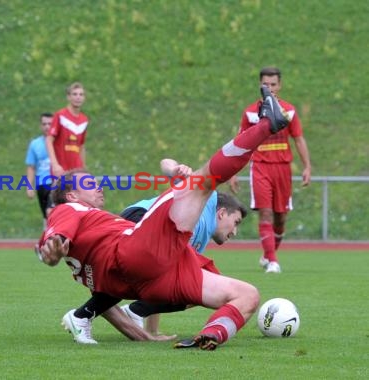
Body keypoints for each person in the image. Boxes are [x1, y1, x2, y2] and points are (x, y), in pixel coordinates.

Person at [37, 85, 290, 350]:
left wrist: (52, 254)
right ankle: (265, 126)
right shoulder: (68, 209)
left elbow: (66, 257)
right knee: (204, 180)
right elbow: (57, 237)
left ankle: (212, 333)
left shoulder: (88, 223)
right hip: (134, 254)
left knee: (248, 295)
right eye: (88, 184)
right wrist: (52, 250)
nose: (98, 186)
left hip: (146, 279)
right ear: (72, 196)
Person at [62, 187, 247, 344]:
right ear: (221, 213)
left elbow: (164, 276)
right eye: (236, 222)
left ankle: (134, 312)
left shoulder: (203, 233)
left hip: (143, 227)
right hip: (141, 218)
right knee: (152, 272)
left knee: (193, 285)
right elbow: (200, 180)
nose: (236, 231)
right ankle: (82, 316)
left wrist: (153, 331)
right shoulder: (206, 205)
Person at [229, 67, 311, 274]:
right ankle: (273, 262)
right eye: (266, 84)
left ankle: (268, 254)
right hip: (260, 167)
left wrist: (307, 166)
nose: (270, 88)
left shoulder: (288, 111)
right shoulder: (250, 112)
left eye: (273, 84)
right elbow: (240, 143)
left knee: (280, 218)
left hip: (283, 169)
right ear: (260, 85)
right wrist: (233, 172)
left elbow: (299, 139)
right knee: (265, 213)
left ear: (279, 85)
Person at [46, 82, 88, 178]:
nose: (78, 97)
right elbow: (49, 140)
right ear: (68, 97)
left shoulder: (84, 119)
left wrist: (83, 168)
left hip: (77, 172)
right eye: (75, 94)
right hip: (61, 171)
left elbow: (81, 145)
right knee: (62, 193)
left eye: (81, 94)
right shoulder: (60, 115)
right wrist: (55, 165)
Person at [25, 113, 54, 228]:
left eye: (50, 124)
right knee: (46, 216)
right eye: (44, 124)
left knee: (51, 212)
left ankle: (56, 240)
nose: (47, 126)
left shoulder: (59, 143)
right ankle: (49, 241)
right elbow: (31, 167)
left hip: (56, 183)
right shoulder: (35, 144)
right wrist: (29, 186)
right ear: (40, 126)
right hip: (41, 185)